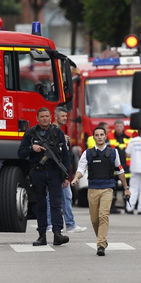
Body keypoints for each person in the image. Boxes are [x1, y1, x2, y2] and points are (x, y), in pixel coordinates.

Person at [71, 126, 130, 256]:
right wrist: (76, 178)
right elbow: (81, 169)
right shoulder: (87, 153)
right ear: (94, 137)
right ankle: (102, 239)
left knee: (104, 216)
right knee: (94, 219)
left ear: (105, 136)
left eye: (101, 135)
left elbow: (120, 171)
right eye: (96, 135)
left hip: (108, 189)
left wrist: (126, 188)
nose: (99, 137)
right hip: (92, 189)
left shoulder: (113, 153)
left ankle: (101, 245)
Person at [18, 108, 71, 246]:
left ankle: (57, 234)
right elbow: (20, 153)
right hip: (38, 172)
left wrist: (66, 176)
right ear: (37, 118)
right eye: (42, 116)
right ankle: (42, 235)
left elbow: (65, 155)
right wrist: (32, 148)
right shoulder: (30, 133)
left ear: (51, 117)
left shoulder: (57, 132)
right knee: (40, 205)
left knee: (55, 204)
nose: (45, 119)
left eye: (47, 116)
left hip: (54, 172)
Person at [46, 107, 86, 233]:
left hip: (61, 171)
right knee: (50, 198)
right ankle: (49, 224)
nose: (65, 118)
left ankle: (70, 225)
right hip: (52, 171)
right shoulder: (51, 131)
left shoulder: (60, 132)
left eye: (65, 116)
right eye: (62, 116)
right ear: (56, 116)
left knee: (67, 197)